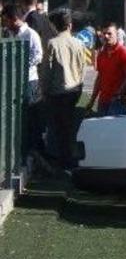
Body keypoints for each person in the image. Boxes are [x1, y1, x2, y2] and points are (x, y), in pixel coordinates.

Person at [44, 9, 86, 168]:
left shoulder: (52, 43)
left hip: (57, 91)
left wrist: (45, 89)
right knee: (70, 126)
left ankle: (62, 159)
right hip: (74, 90)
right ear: (70, 25)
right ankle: (71, 157)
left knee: (58, 127)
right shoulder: (79, 43)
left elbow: (47, 70)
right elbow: (83, 69)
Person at [1, 4, 43, 157]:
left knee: (30, 116)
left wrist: (22, 64)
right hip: (13, 81)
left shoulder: (31, 35)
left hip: (29, 81)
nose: (4, 24)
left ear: (14, 19)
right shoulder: (10, 34)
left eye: (6, 20)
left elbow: (38, 56)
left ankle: (33, 151)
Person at [85, 23, 126, 116]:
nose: (106, 36)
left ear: (116, 34)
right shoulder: (102, 54)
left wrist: (118, 94)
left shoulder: (123, 52)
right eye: (104, 34)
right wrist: (92, 101)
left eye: (109, 33)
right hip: (103, 100)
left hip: (117, 102)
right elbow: (99, 78)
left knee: (115, 129)